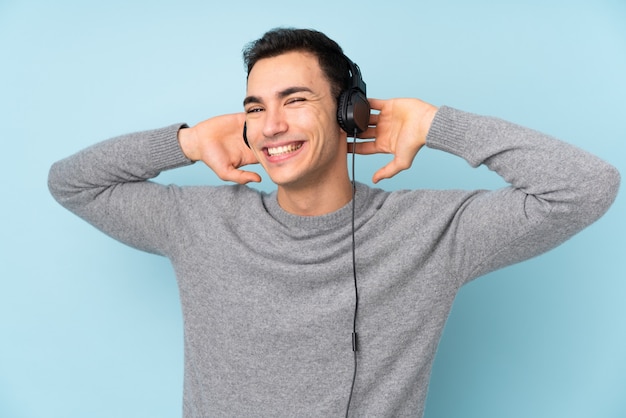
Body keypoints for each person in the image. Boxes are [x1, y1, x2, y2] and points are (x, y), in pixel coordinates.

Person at [48, 28, 620, 417]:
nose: (270, 125)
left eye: (294, 100)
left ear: (351, 113)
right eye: (254, 108)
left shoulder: (433, 233)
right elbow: (71, 182)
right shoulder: (196, 222)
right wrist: (186, 142)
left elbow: (585, 187)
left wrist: (436, 124)